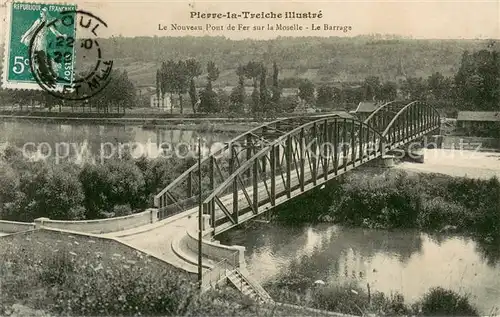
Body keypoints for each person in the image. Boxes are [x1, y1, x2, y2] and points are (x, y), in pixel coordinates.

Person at [20, 7, 67, 81]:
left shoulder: (48, 22)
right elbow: (31, 29)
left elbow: (54, 31)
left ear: (46, 13)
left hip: (42, 41)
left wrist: (61, 36)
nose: (41, 14)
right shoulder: (38, 21)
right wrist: (24, 37)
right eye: (41, 12)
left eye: (43, 13)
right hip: (36, 40)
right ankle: (37, 74)